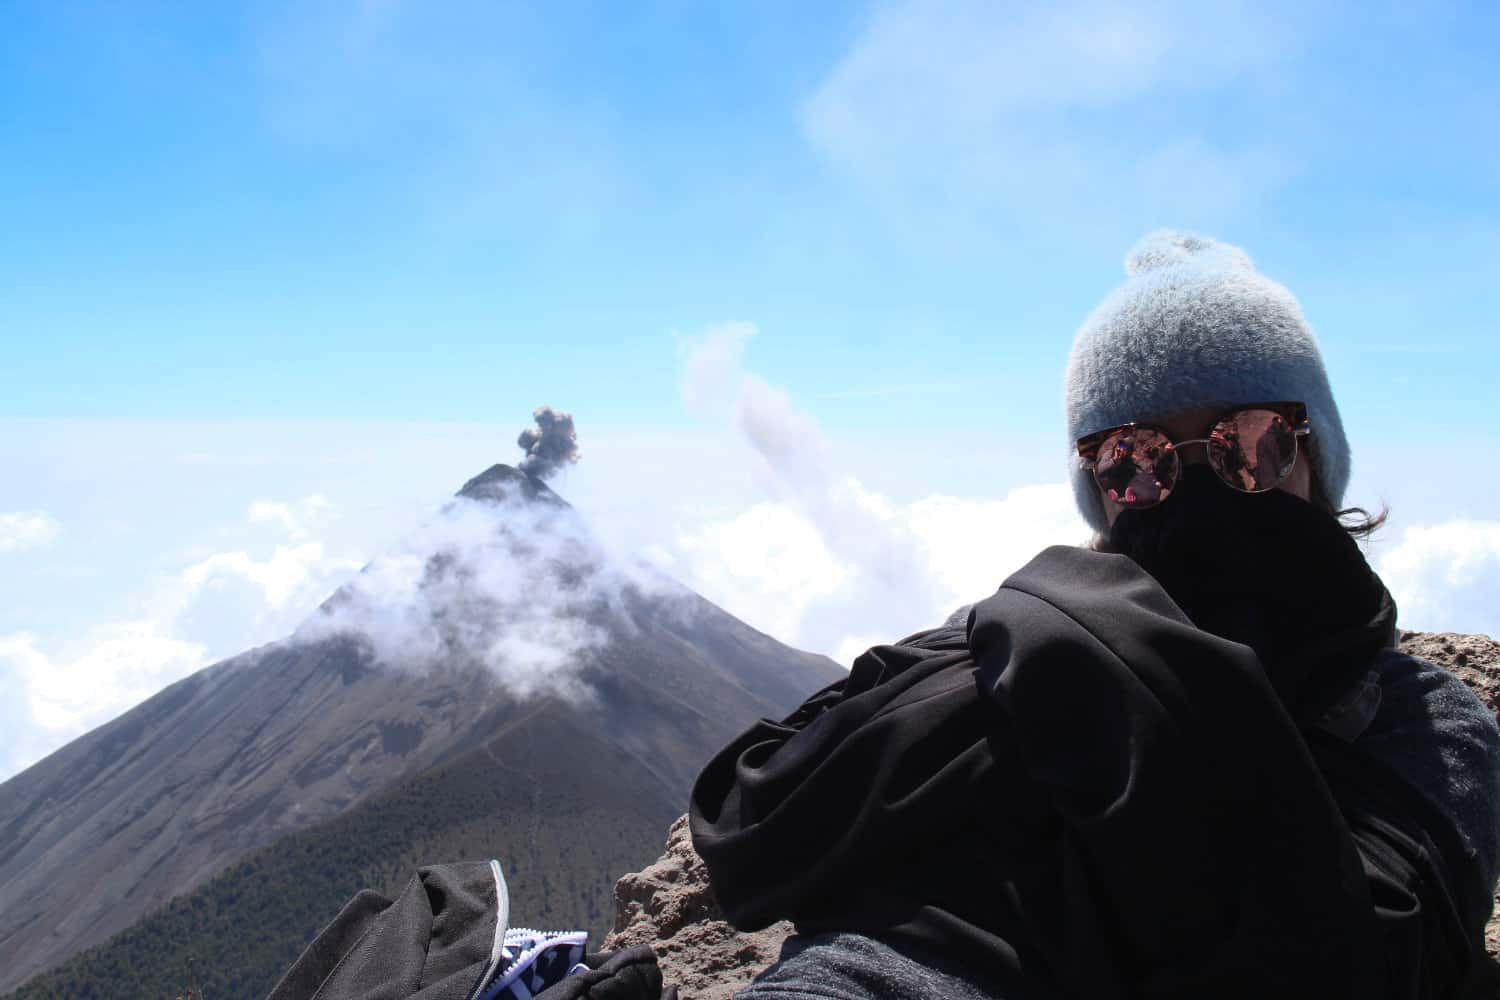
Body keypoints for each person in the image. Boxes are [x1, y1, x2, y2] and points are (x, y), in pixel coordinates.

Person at [690, 231, 1500, 998]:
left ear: (1316, 455)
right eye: (1132, 460)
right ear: (1099, 491)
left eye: (1250, 443)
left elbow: (1377, 957)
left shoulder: (1419, 723)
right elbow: (889, 956)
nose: (1198, 493)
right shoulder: (1001, 661)